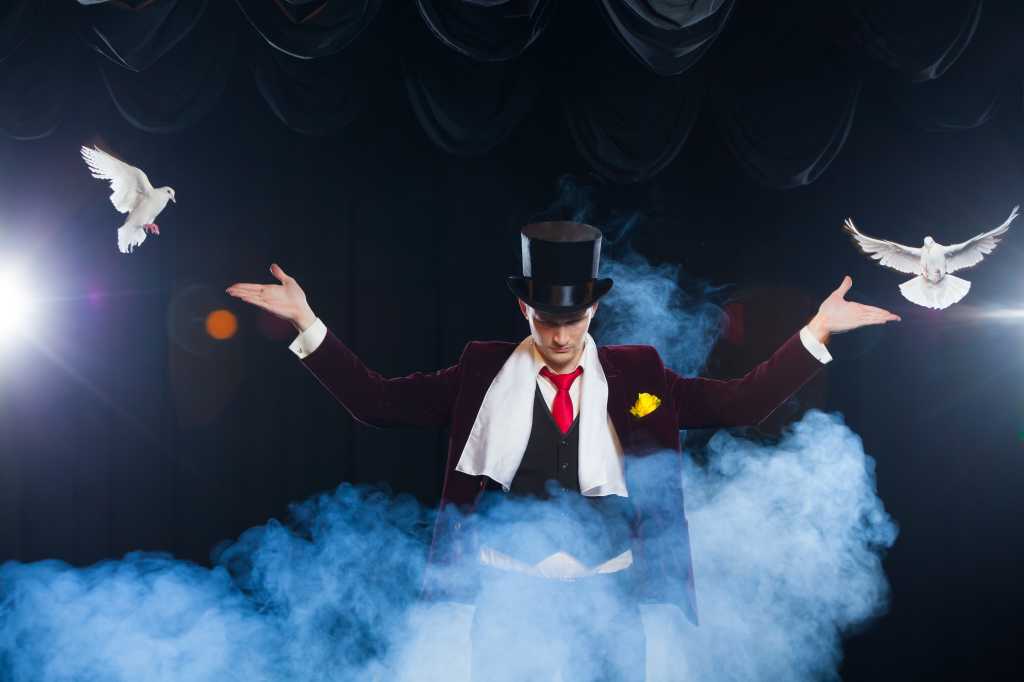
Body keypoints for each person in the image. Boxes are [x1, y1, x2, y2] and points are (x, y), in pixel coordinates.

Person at [226, 221, 899, 681]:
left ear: (594, 312)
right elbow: (375, 401)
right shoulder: (481, 371)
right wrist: (308, 324)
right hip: (506, 601)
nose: (559, 335)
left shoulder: (639, 376)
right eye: (547, 321)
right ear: (525, 312)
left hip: (610, 605)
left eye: (573, 320)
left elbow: (740, 404)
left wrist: (817, 332)